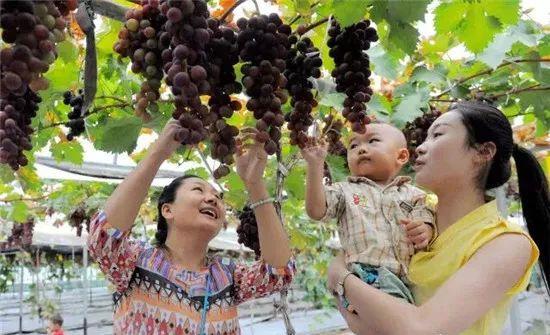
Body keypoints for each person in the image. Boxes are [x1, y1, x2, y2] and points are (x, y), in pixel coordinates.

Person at [327, 101, 546, 335]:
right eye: (425, 137)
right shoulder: (408, 227)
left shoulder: (507, 242)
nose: (420, 147)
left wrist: (340, 277)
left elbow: (422, 329)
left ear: (483, 152)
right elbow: (361, 324)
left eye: (438, 135)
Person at [87, 120, 294, 335]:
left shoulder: (227, 276)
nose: (213, 199)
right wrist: (158, 153)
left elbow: (278, 272)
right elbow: (104, 236)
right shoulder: (135, 263)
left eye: (217, 196)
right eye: (198, 190)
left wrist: (255, 183)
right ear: (167, 210)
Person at [301, 122, 435, 309]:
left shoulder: (414, 195)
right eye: (354, 146)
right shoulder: (344, 191)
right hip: (366, 276)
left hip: (410, 279)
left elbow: (426, 216)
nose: (361, 149)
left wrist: (424, 229)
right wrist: (315, 165)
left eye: (373, 141)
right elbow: (316, 211)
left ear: (402, 156)